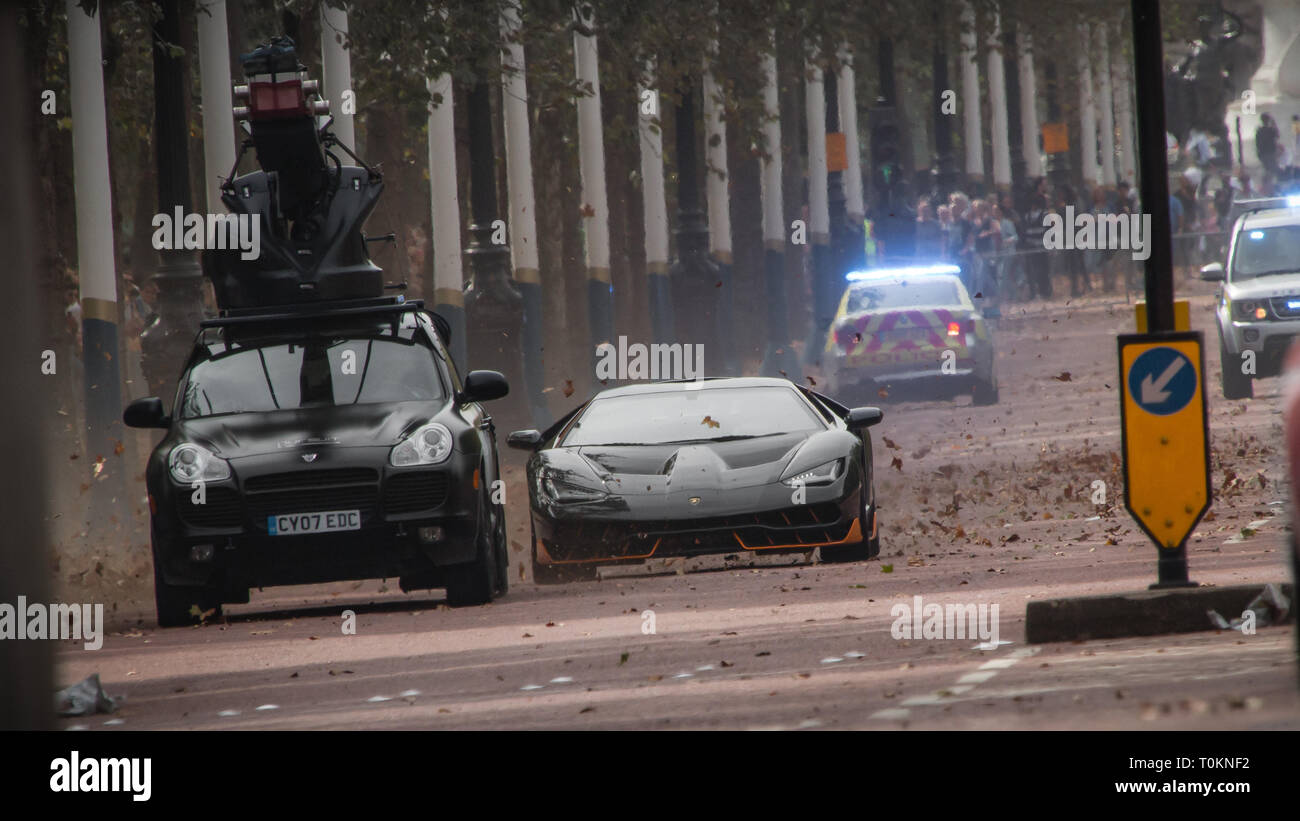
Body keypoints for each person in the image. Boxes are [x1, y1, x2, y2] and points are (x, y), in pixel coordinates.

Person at [1256, 112, 1280, 184]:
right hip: (1270, 153)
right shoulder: (1270, 130)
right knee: (1273, 169)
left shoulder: (1259, 130)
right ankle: (1273, 183)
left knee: (1268, 170)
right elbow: (1277, 135)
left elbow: (1257, 143)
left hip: (1264, 153)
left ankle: (1269, 183)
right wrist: (1274, 123)